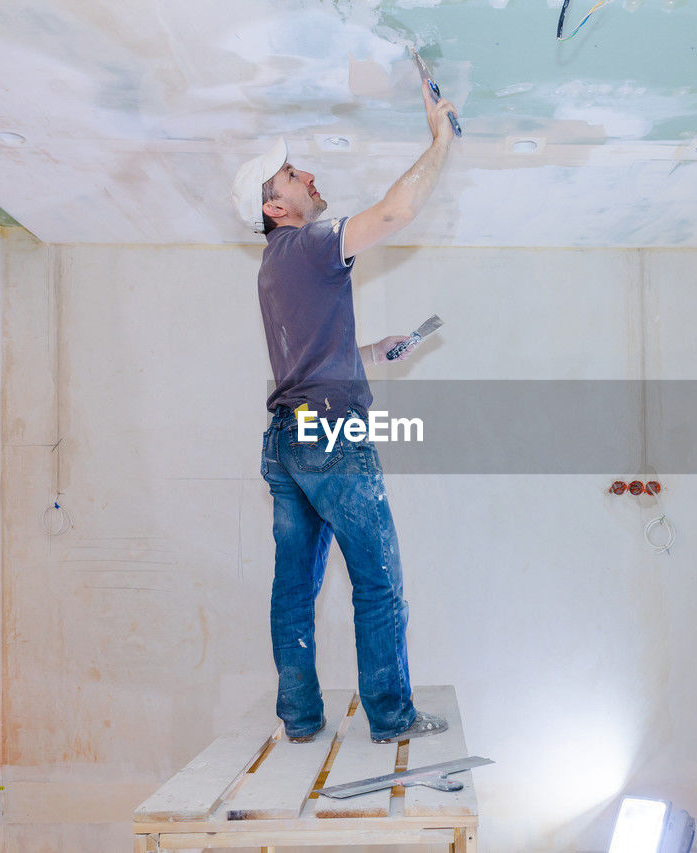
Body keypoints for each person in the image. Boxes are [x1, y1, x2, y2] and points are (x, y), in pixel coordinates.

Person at [232, 83, 457, 744]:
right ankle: (391, 716)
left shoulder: (273, 268)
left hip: (287, 443)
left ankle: (300, 719)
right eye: (292, 173)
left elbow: (302, 364)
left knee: (293, 590)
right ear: (277, 205)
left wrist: (365, 352)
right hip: (330, 439)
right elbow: (394, 213)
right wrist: (439, 138)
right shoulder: (307, 246)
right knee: (378, 582)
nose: (307, 173)